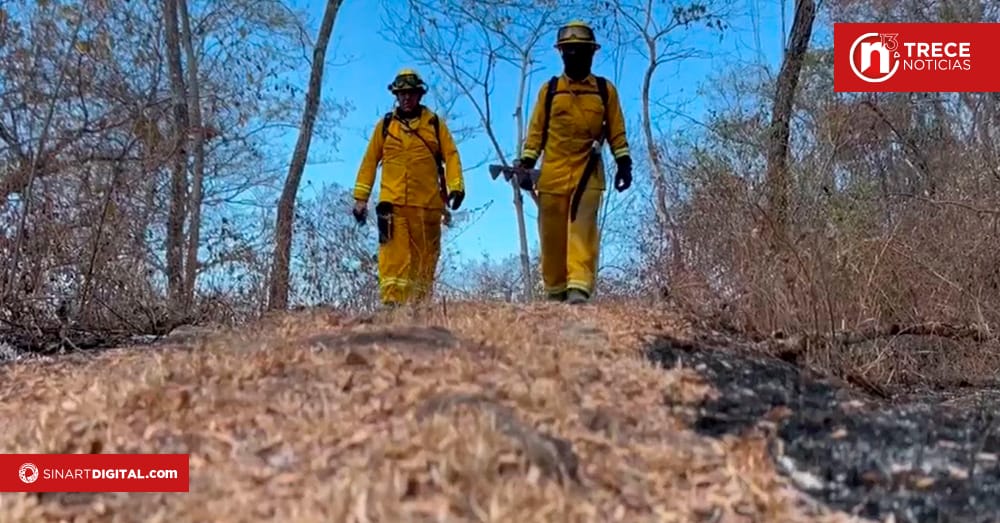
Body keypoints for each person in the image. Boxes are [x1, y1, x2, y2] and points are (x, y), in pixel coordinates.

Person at [515, 21, 632, 305]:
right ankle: (555, 294)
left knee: (582, 231)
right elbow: (536, 132)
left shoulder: (605, 91)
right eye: (570, 51)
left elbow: (616, 130)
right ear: (561, 54)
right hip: (552, 176)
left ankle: (578, 291)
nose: (576, 56)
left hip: (588, 175)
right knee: (552, 238)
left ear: (592, 53)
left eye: (582, 51)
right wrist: (526, 164)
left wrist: (624, 162)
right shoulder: (550, 90)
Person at [352, 68, 465, 307]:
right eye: (401, 93)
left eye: (411, 93)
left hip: (427, 206)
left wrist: (456, 187)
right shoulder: (385, 126)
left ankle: (419, 305)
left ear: (419, 95)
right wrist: (361, 198)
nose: (406, 98)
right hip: (392, 204)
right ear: (395, 95)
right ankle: (392, 304)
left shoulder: (434, 125)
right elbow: (369, 161)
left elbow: (452, 155)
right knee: (392, 254)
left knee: (425, 257)